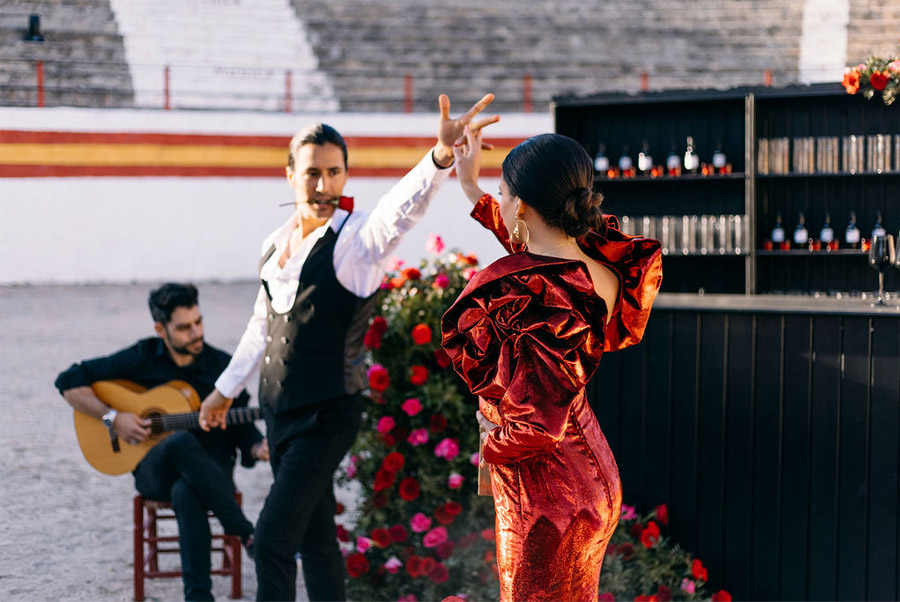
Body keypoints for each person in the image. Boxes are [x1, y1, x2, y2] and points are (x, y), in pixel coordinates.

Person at [197, 94, 499, 601]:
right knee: (316, 543)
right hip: (280, 414)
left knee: (271, 541)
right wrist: (224, 390)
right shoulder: (274, 243)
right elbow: (261, 323)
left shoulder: (356, 241)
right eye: (313, 173)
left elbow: (396, 215)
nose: (324, 185)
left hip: (327, 414)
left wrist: (440, 158)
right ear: (290, 174)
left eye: (335, 173)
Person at [440, 128, 663, 601]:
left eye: (503, 194)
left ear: (520, 205)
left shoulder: (532, 292)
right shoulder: (596, 266)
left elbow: (537, 426)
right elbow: (535, 248)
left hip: (546, 498)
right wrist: (471, 185)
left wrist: (488, 444)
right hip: (590, 477)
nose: (499, 204)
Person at [55, 283, 267, 602]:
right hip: (155, 469)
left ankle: (198, 597)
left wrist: (257, 447)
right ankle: (246, 534)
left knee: (186, 491)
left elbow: (243, 424)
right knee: (180, 443)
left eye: (198, 322)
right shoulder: (143, 356)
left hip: (213, 467)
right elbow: (69, 381)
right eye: (184, 328)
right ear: (160, 329)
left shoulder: (222, 366)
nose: (196, 333)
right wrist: (113, 417)